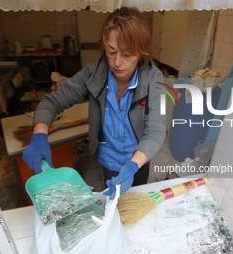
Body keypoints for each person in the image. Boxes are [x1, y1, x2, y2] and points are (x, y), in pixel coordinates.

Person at [23, 7, 166, 199]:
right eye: (111, 51)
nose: (117, 62)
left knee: (133, 203)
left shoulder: (154, 80)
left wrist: (132, 166)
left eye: (127, 54)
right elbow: (52, 100)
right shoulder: (93, 75)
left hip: (137, 161)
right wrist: (39, 136)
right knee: (111, 200)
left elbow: (156, 130)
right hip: (107, 159)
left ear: (141, 53)